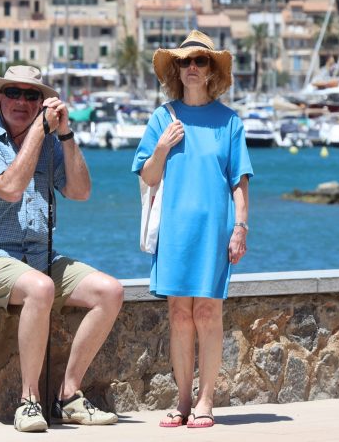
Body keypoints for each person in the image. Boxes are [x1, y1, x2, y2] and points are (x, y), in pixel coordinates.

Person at [0, 65, 123, 433]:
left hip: (37, 257)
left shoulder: (50, 143)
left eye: (32, 96)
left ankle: (69, 395)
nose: (22, 101)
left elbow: (80, 191)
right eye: (13, 93)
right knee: (40, 287)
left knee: (110, 292)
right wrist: (37, 133)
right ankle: (30, 401)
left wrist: (64, 135)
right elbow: (12, 188)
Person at [132, 31, 253, 430]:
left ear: (212, 70)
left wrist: (240, 227)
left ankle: (206, 401)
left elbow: (239, 180)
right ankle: (182, 401)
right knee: (179, 315)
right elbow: (148, 176)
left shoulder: (229, 121)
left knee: (207, 312)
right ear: (176, 71)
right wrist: (163, 146)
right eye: (185, 62)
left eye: (200, 61)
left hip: (214, 231)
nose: (193, 68)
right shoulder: (161, 119)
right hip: (175, 230)